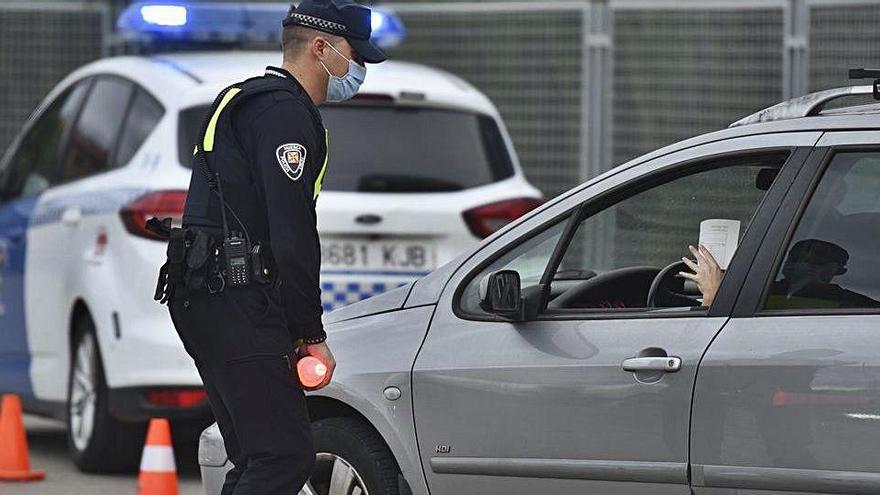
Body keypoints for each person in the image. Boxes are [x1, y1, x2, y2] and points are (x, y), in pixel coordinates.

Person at [156, 2, 387, 494]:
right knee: (284, 457)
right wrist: (309, 330)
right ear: (320, 47)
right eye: (354, 55)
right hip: (238, 300)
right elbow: (292, 233)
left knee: (256, 458)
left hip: (205, 296)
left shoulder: (243, 99)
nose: (359, 70)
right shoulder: (285, 115)